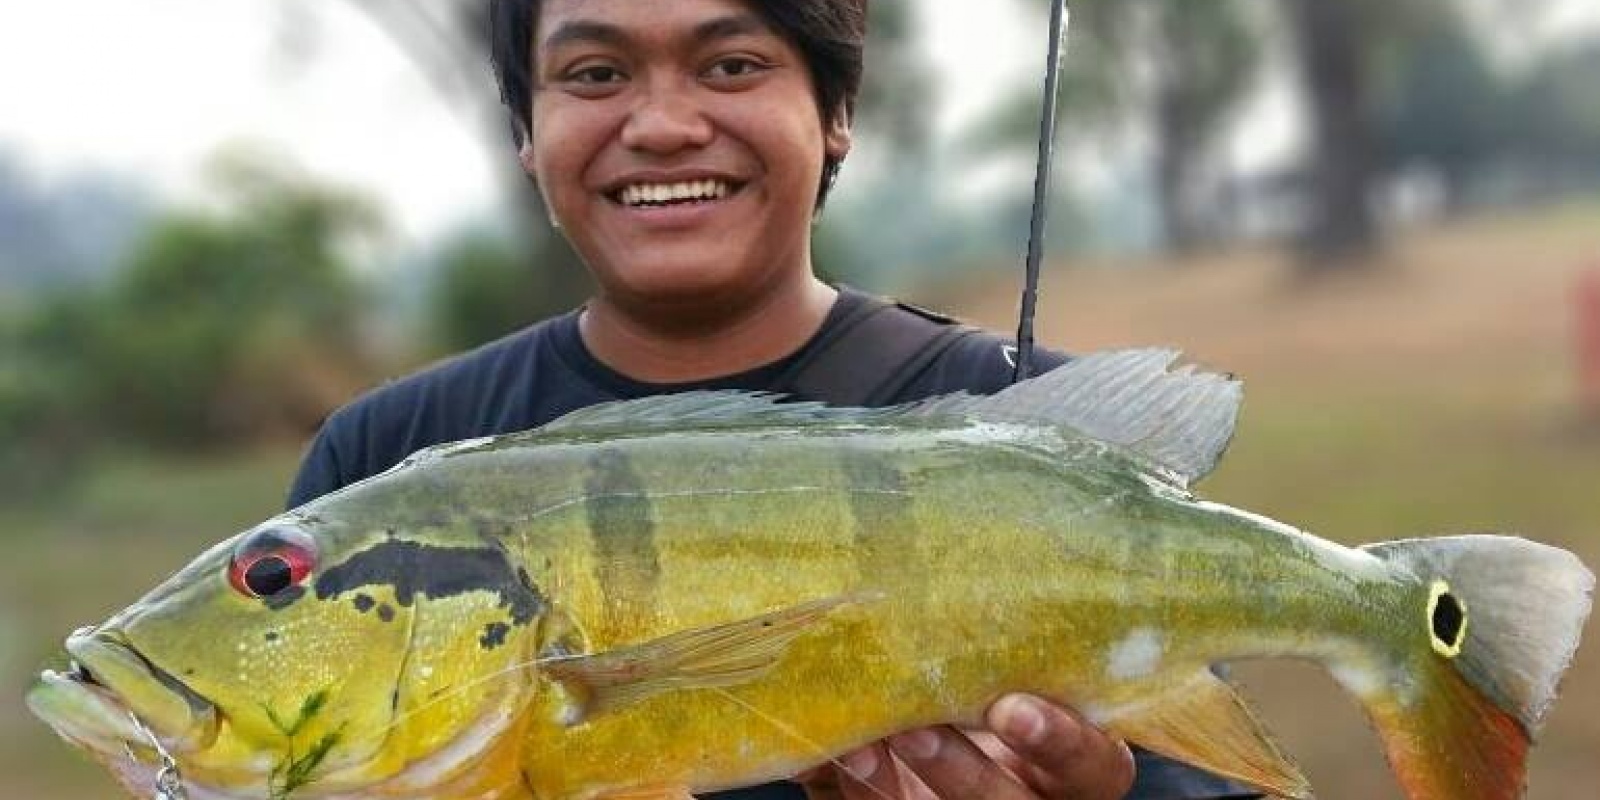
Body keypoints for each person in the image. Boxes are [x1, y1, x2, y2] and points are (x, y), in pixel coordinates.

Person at [287, 1, 1253, 798]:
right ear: (526, 135)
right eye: (594, 75)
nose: (662, 125)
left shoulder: (1038, 431)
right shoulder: (381, 462)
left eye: (732, 65)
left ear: (835, 112)